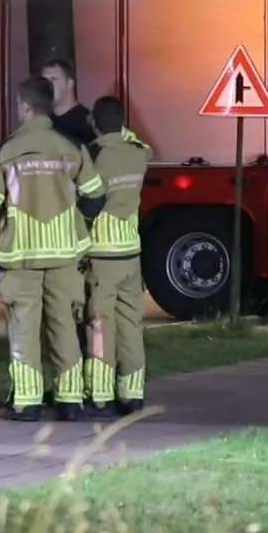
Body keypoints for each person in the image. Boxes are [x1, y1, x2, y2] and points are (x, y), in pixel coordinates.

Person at [0, 77, 106, 422]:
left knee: (24, 329)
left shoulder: (3, 150)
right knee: (63, 326)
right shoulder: (72, 147)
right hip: (64, 255)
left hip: (21, 257)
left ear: (25, 106)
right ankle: (70, 401)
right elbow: (94, 197)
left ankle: (28, 402)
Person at [83, 96, 152, 416]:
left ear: (94, 122)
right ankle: (133, 393)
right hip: (130, 254)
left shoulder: (94, 155)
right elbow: (137, 142)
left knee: (99, 325)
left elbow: (87, 199)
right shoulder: (138, 153)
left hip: (102, 253)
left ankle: (99, 394)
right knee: (130, 325)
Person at [41, 59, 97, 149]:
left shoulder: (89, 123)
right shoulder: (42, 122)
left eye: (53, 80)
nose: (47, 86)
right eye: (44, 81)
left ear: (70, 83)